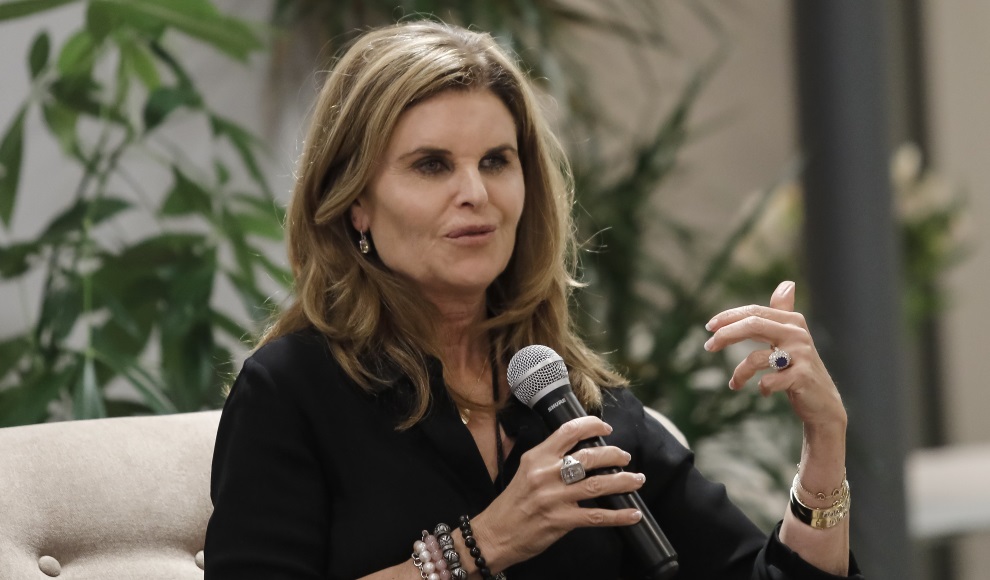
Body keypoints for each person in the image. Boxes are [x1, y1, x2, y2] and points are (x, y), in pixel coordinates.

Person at [204, 20, 863, 580]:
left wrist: (824, 447)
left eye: (496, 161)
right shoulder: (293, 392)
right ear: (356, 206)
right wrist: (481, 545)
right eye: (432, 165)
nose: (476, 194)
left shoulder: (576, 404)